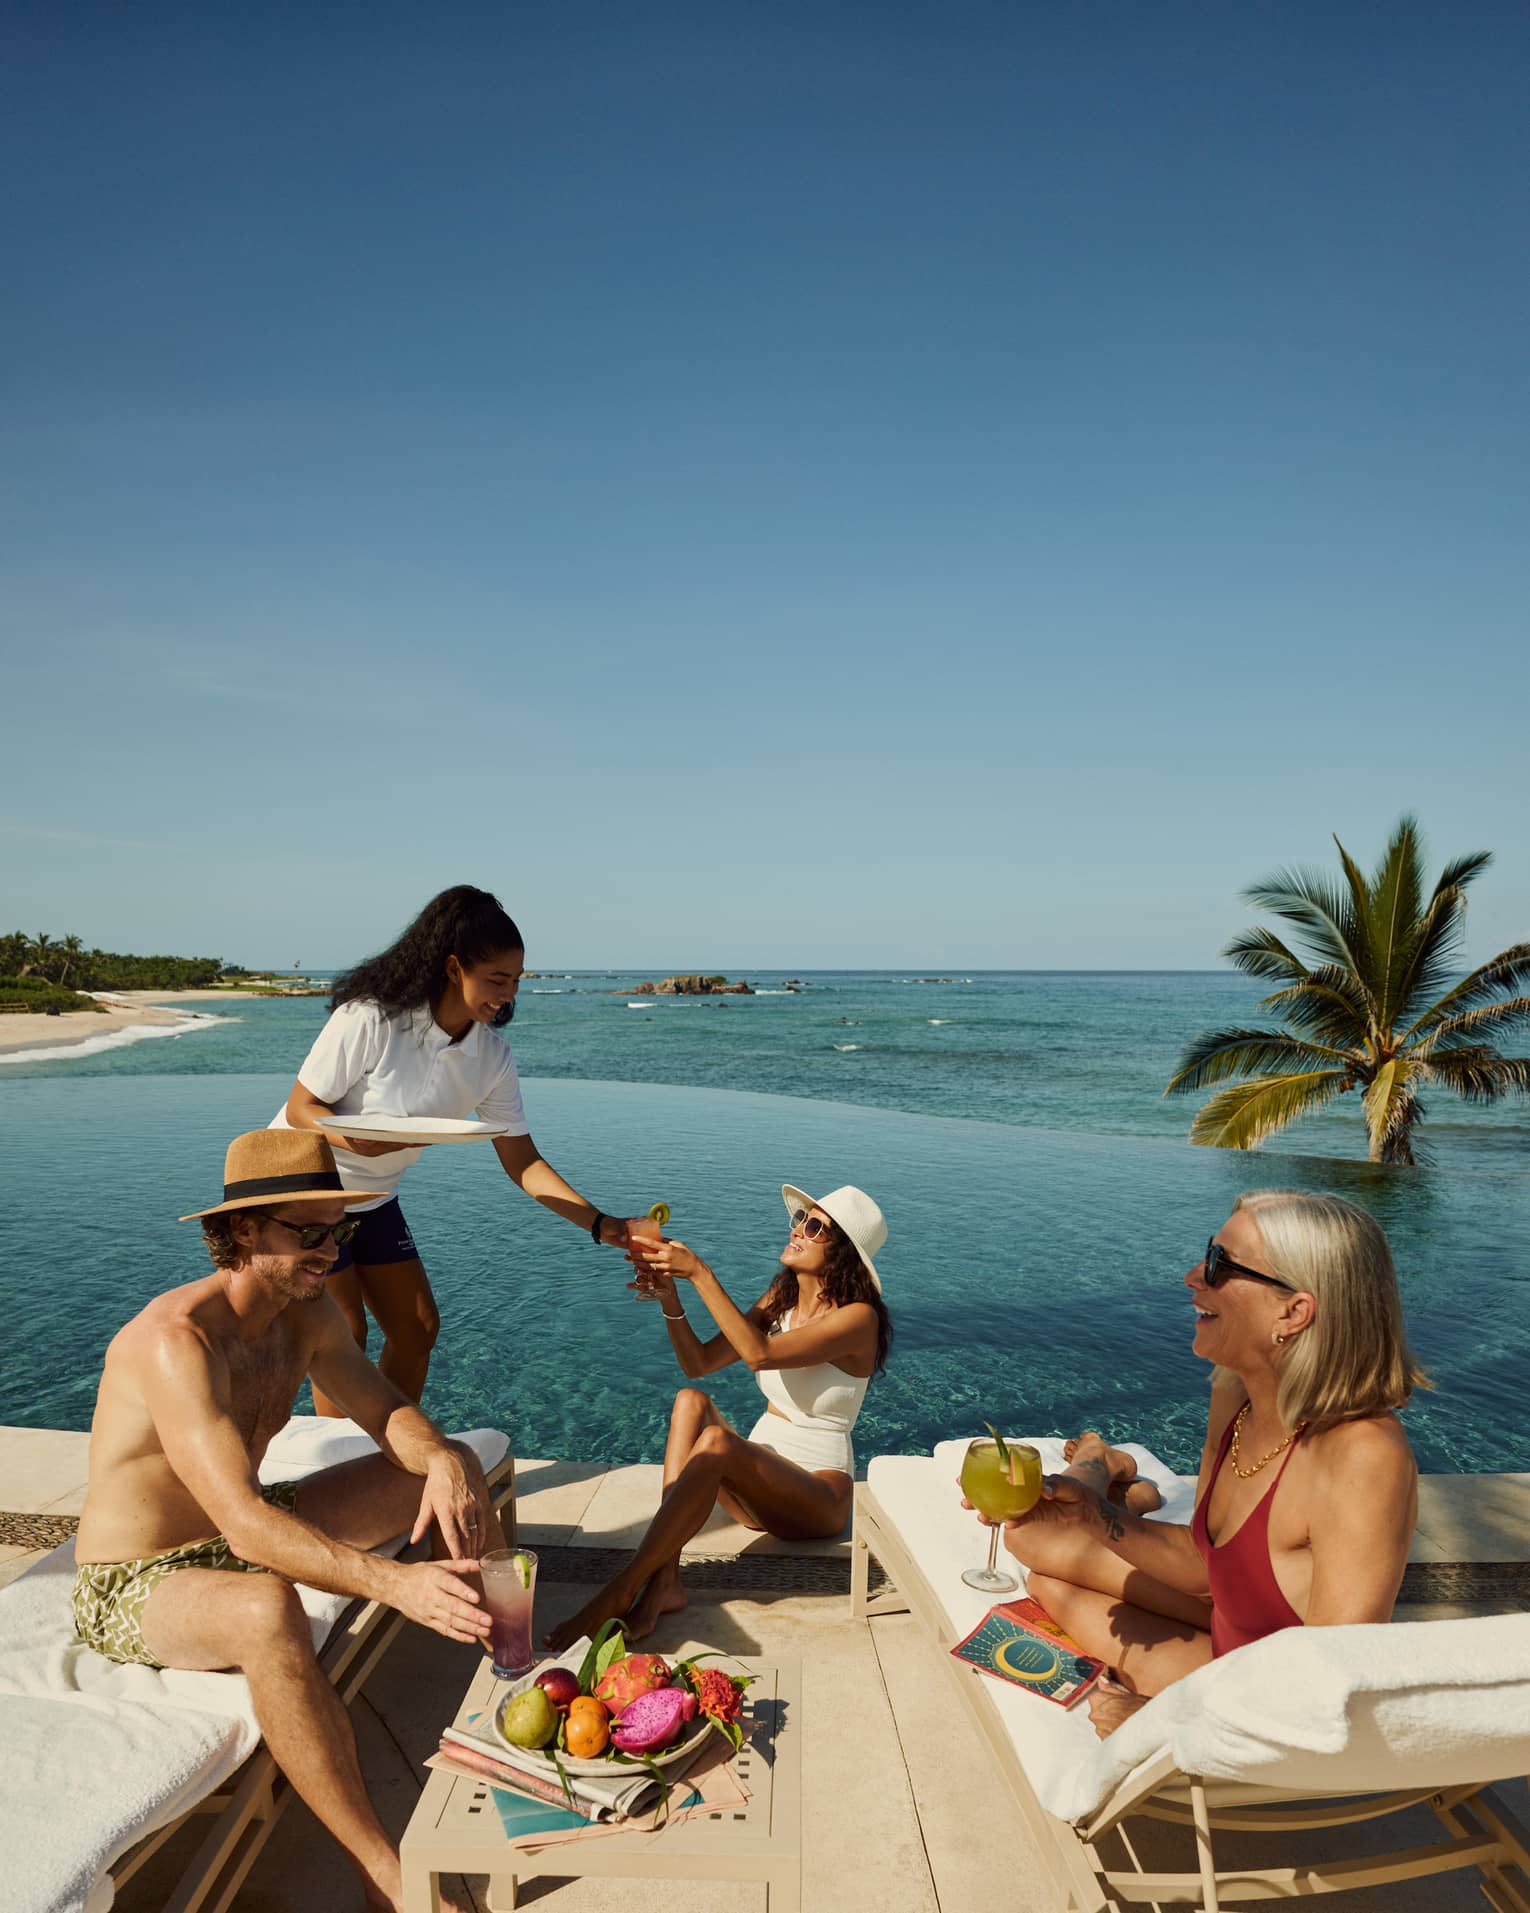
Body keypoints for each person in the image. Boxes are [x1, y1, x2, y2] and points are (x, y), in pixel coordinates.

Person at [72, 1130, 507, 1913]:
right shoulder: (178, 1343)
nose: (330, 1252)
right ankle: (384, 1874)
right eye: (308, 1233)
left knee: (458, 1466)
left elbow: (387, 1410)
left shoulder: (304, 1315)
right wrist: (394, 1583)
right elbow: (240, 1525)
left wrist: (437, 1456)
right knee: (266, 1609)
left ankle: (518, 1667)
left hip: (247, 1521)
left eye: (337, 1231)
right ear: (244, 1230)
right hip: (137, 1578)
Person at [973, 1190, 1425, 1739]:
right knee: (1032, 1546)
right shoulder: (1236, 1393)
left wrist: (1170, 1724)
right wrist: (1091, 1515)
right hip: (1228, 1636)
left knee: (1052, 1585)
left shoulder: (1362, 1455)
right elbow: (1199, 1561)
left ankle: (1105, 1464)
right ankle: (1107, 1473)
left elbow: (1335, 1680)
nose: (1193, 1276)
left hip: (1268, 1703)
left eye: (1219, 1265)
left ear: (1294, 1311)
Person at [272, 884, 656, 1411]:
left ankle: (387, 1455)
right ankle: (342, 1470)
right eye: (497, 979)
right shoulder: (372, 1019)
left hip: (375, 1197)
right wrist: (352, 1139)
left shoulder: (491, 1056)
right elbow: (300, 1109)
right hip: (304, 1191)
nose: (508, 995)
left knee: (417, 1329)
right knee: (344, 1336)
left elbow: (522, 1161)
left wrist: (598, 1223)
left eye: (516, 982)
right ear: (453, 969)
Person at [547, 1183, 892, 1649]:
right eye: (800, 1220)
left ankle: (622, 1589)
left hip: (816, 1497)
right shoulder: (782, 1298)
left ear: (844, 1253)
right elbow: (700, 1363)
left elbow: (759, 1354)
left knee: (718, 1443)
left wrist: (699, 1272)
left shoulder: (858, 1319)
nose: (798, 1231)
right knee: (690, 1399)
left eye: (815, 1228)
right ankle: (665, 1579)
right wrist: (671, 1295)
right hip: (755, 1487)